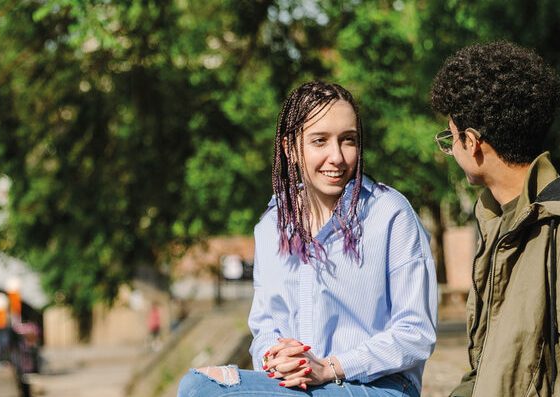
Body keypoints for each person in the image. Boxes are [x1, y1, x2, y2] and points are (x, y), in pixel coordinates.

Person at [177, 81, 437, 397]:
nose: (337, 157)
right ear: (290, 149)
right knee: (198, 386)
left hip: (379, 385)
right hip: (301, 387)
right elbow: (265, 326)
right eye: (319, 141)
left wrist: (330, 367)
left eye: (348, 141)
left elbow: (415, 333)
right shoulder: (272, 225)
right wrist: (276, 357)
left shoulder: (390, 214)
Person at [430, 41, 560, 396]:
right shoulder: (499, 218)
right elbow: (491, 368)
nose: (451, 149)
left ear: (473, 142)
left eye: (451, 137)